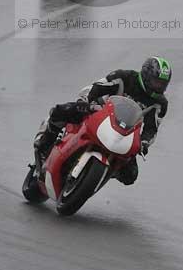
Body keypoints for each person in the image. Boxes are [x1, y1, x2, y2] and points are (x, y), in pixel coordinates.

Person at [33, 57, 172, 186]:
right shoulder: (124, 77)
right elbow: (97, 86)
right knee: (61, 111)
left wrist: (144, 142)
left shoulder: (160, 103)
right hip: (98, 112)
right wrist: (85, 101)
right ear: (146, 76)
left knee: (130, 175)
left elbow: (152, 128)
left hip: (125, 132)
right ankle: (44, 145)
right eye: (157, 82)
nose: (159, 87)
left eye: (163, 84)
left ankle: (105, 171)